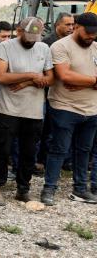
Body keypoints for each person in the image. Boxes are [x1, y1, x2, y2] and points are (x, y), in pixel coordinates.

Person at [0, 17, 53, 204]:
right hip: (8, 108)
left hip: (33, 110)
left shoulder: (43, 48)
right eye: (28, 36)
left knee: (29, 152)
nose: (32, 40)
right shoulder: (6, 47)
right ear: (19, 31)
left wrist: (26, 81)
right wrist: (32, 76)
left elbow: (50, 78)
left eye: (35, 37)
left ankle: (23, 188)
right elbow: (2, 76)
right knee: (2, 150)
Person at [41, 12, 97, 205]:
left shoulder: (96, 47)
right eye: (88, 32)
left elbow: (75, 78)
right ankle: (49, 188)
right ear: (76, 27)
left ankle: (80, 189)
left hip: (91, 109)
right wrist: (94, 81)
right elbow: (65, 76)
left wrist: (84, 82)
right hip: (64, 107)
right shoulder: (60, 46)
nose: (91, 36)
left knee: (84, 150)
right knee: (59, 149)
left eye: (94, 33)